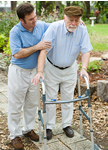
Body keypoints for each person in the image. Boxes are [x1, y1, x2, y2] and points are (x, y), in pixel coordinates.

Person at [32, 6, 92, 140]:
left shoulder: (82, 29)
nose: (74, 23)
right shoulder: (54, 28)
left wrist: (84, 68)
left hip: (70, 68)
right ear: (64, 18)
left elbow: (86, 51)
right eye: (71, 20)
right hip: (52, 68)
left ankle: (66, 125)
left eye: (77, 20)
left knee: (68, 99)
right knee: (51, 99)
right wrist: (40, 71)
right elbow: (43, 51)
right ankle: (49, 126)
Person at [8, 3, 52, 150]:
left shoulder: (40, 25)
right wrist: (37, 47)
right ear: (22, 20)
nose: (35, 21)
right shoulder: (15, 32)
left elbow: (56, 26)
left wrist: (75, 21)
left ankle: (27, 130)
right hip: (18, 72)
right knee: (15, 105)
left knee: (32, 104)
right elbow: (17, 54)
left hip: (34, 72)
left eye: (35, 17)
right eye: (31, 19)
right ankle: (15, 135)